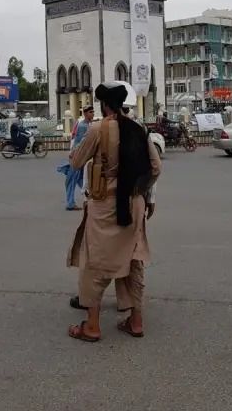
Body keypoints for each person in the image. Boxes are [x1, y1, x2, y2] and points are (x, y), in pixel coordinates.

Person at [66, 83, 162, 342]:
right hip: (134, 202)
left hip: (105, 205)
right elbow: (155, 167)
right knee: (133, 261)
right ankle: (136, 321)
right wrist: (141, 192)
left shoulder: (98, 128)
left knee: (94, 262)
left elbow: (76, 162)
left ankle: (92, 326)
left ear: (104, 104)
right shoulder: (139, 128)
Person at [58, 105, 95, 210]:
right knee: (73, 179)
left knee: (80, 178)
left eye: (93, 112)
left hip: (82, 156)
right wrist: (73, 153)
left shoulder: (89, 125)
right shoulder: (83, 126)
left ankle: (89, 196)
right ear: (85, 114)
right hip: (78, 156)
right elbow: (79, 141)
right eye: (90, 112)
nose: (92, 114)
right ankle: (70, 203)